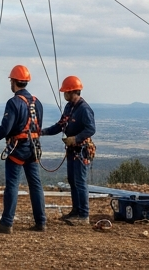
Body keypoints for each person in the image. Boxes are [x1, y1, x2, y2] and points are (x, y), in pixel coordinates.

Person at [0, 64, 45, 234]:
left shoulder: (14, 103)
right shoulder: (37, 102)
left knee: (12, 184)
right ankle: (41, 222)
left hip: (18, 148)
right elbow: (38, 126)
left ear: (14, 81)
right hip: (33, 147)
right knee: (35, 185)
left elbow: (5, 129)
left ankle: (7, 223)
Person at [42, 75, 96, 224]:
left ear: (72, 92)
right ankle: (76, 211)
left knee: (80, 182)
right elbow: (60, 125)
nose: (64, 94)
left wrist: (76, 138)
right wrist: (43, 132)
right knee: (73, 181)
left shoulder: (84, 109)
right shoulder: (69, 107)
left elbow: (91, 129)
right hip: (73, 151)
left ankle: (83, 215)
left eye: (66, 91)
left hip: (81, 150)